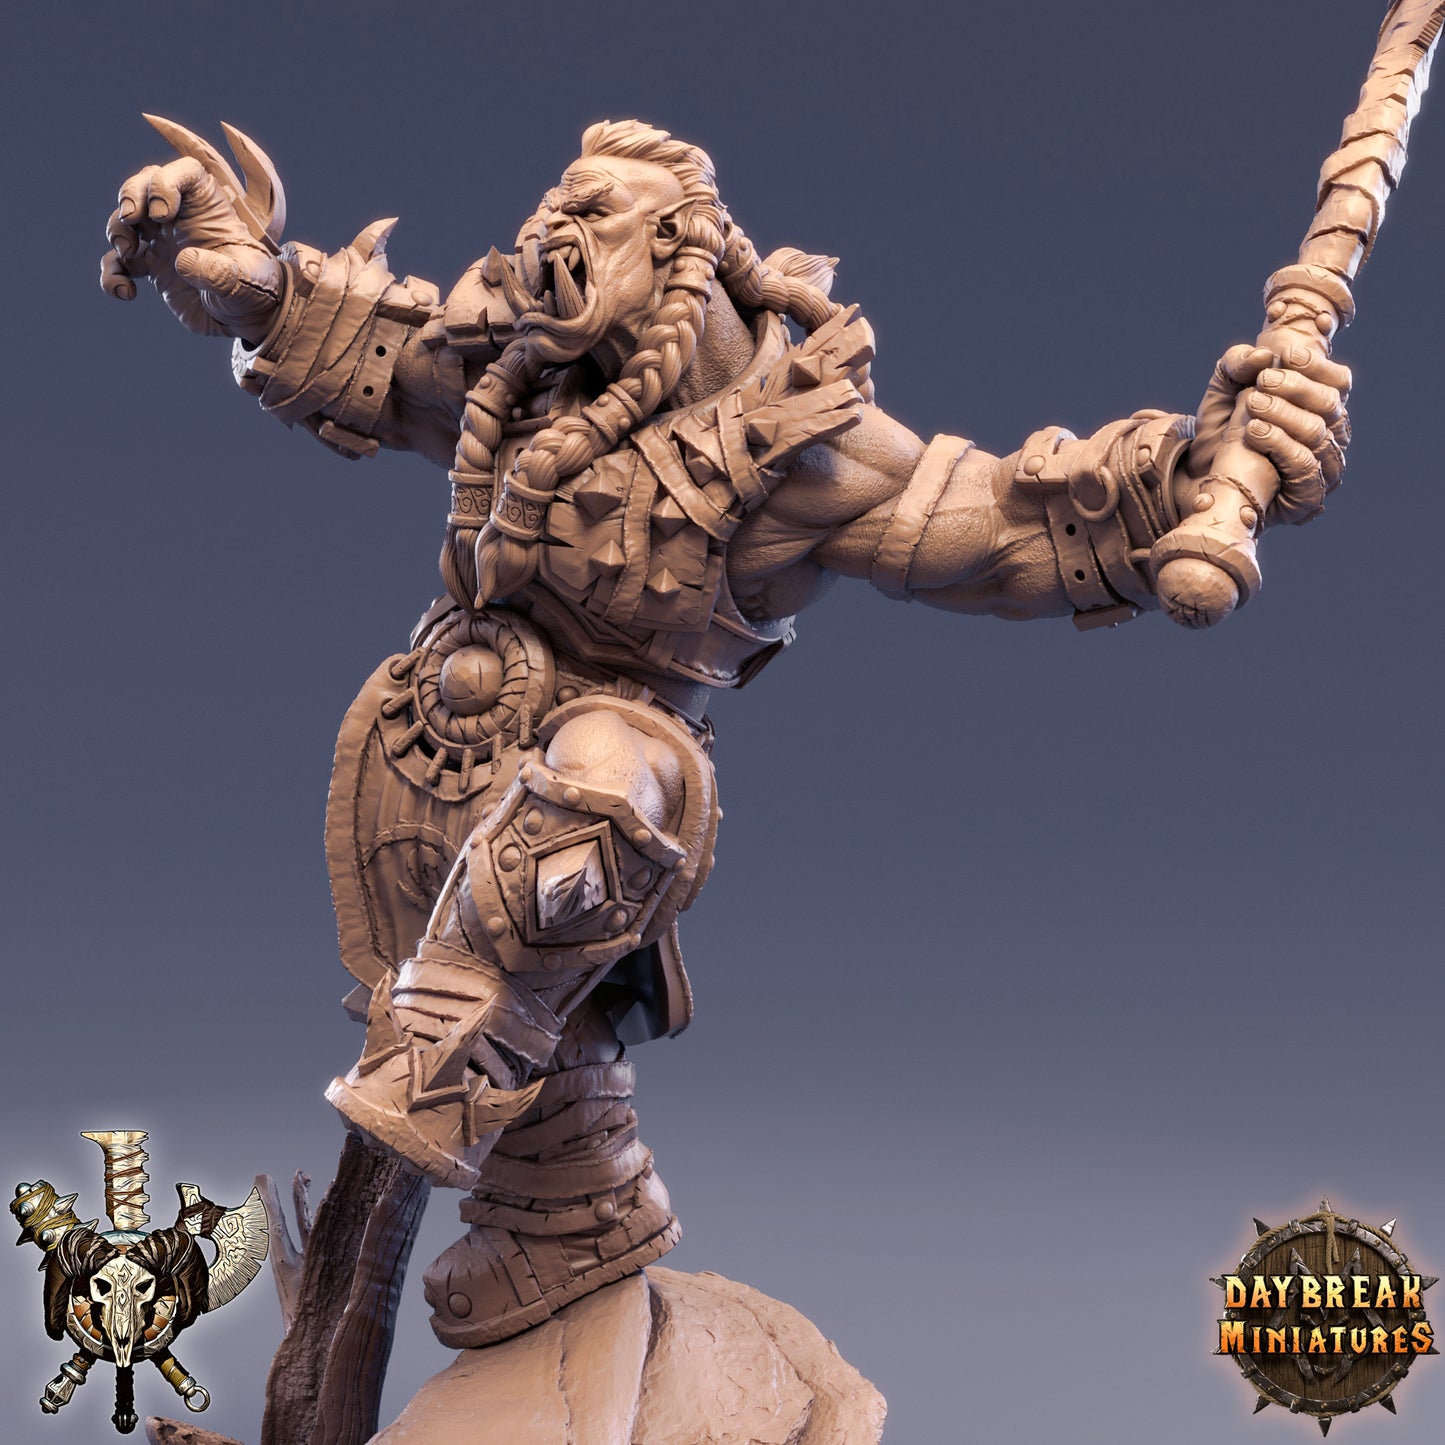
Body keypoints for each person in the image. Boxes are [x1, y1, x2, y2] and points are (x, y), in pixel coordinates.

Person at [101, 118, 1350, 1348]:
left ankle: (433, 1133)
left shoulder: (801, 443)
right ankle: (570, 1209)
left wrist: (1191, 477)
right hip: (440, 740)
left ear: (680, 250)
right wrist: (244, 279)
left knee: (582, 809)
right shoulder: (520, 367)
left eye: (591, 214)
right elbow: (366, 354)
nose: (547, 232)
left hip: (620, 752)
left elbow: (998, 530)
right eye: (551, 206)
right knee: (504, 975)